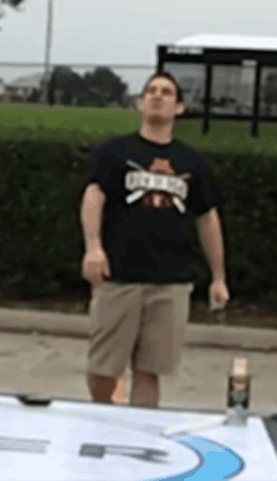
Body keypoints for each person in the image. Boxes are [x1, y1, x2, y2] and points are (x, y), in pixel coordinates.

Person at [80, 70, 228, 408]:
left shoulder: (193, 163)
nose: (158, 96)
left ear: (179, 107)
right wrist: (93, 247)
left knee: (150, 371)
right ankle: (104, 418)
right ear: (140, 102)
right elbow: (93, 196)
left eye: (166, 92)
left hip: (171, 281)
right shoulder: (114, 153)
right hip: (119, 275)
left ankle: (139, 434)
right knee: (103, 368)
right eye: (151, 91)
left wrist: (218, 277)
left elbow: (208, 219)